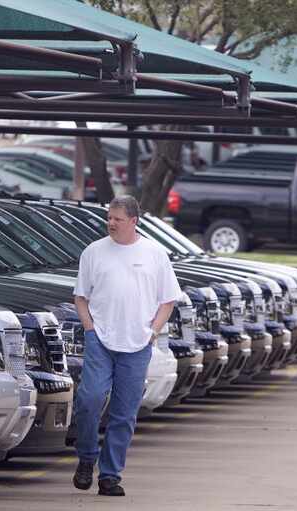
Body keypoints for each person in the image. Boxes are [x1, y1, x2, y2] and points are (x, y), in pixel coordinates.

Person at [72, 195, 183, 496]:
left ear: (133, 221)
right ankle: (86, 457)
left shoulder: (154, 253)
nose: (111, 223)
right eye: (109, 217)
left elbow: (168, 299)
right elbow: (80, 296)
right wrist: (90, 330)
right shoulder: (94, 252)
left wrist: (153, 332)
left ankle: (110, 475)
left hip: (137, 344)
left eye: (117, 219)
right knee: (90, 399)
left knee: (124, 412)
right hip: (101, 340)